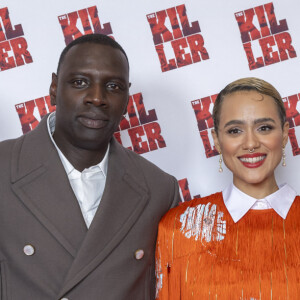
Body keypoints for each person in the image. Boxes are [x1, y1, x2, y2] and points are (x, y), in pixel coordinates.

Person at [0, 34, 180, 299]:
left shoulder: (159, 189)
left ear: (128, 98)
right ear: (54, 87)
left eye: (114, 86)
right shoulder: (4, 167)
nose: (97, 98)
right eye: (80, 82)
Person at [155, 77, 300, 299]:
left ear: (283, 134)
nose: (251, 144)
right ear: (216, 140)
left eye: (264, 127)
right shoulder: (180, 227)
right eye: (235, 131)